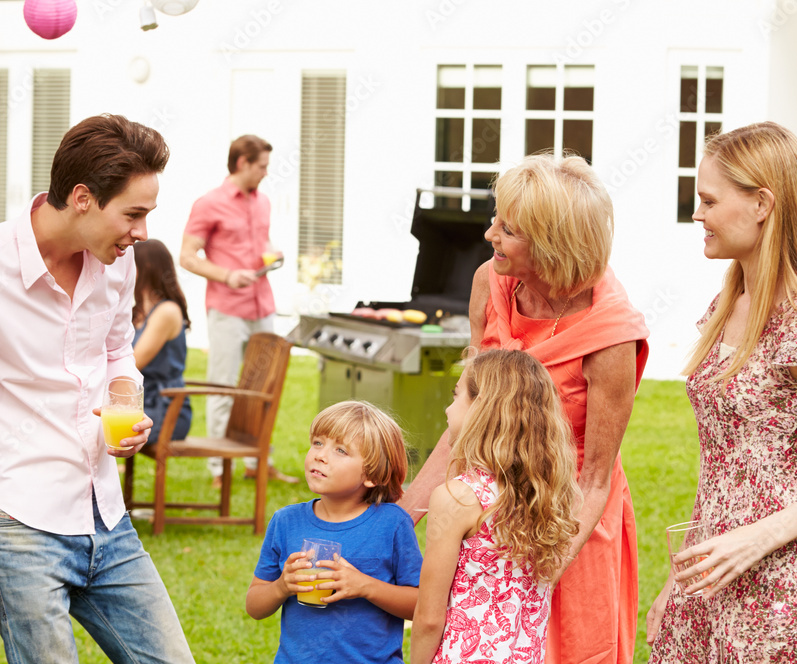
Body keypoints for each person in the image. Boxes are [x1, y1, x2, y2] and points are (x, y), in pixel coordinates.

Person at [0, 114, 195, 663]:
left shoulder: (118, 261)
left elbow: (118, 353)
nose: (142, 232)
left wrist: (126, 404)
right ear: (83, 197)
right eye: (133, 214)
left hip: (104, 512)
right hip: (16, 520)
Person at [399, 153, 649, 664]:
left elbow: (596, 479)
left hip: (567, 522)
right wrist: (398, 521)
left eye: (507, 228)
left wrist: (528, 579)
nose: (490, 234)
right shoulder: (489, 283)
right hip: (486, 516)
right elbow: (469, 423)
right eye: (496, 218)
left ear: (554, 245)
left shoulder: (612, 336)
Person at [647, 122, 797, 661]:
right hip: (709, 577)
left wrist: (754, 540)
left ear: (761, 204)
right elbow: (722, 469)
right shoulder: (726, 307)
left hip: (781, 589)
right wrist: (678, 580)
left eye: (708, 200)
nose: (697, 215)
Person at [411, 349, 581, 664]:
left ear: (482, 409)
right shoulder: (549, 497)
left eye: (456, 395)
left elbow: (429, 617)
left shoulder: (458, 497)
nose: (448, 408)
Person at [245, 401, 423, 664]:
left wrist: (365, 586)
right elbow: (254, 605)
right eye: (318, 443)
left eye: (340, 450)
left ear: (372, 475)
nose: (320, 455)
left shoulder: (392, 524)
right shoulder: (286, 521)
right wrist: (281, 587)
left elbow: (420, 604)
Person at [180, 133, 296, 487]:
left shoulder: (262, 202)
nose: (265, 173)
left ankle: (257, 460)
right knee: (224, 385)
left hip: (262, 302)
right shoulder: (208, 203)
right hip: (228, 307)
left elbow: (261, 242)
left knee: (263, 386)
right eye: (261, 166)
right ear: (243, 163)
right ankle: (219, 468)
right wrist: (227, 275)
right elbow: (187, 256)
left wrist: (272, 253)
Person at [132, 238, 192, 445]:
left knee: (89, 422)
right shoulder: (139, 311)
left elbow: (132, 362)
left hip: (165, 408)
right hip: (140, 402)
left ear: (146, 267)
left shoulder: (166, 311)